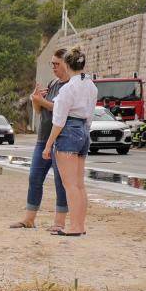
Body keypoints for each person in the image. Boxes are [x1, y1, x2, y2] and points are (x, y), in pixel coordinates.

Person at [13, 48, 69, 230]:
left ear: (66, 64)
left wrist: (41, 101)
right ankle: (29, 219)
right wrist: (35, 100)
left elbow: (61, 109)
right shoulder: (52, 83)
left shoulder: (70, 86)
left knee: (61, 182)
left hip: (61, 140)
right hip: (42, 139)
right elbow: (40, 112)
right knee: (34, 178)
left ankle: (59, 223)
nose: (53, 67)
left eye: (56, 64)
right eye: (51, 63)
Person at [42, 46, 95, 235]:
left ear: (66, 64)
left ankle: (74, 226)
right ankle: (80, 225)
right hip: (83, 130)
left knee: (69, 184)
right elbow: (89, 116)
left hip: (68, 131)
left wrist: (48, 145)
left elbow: (58, 121)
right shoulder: (91, 86)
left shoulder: (67, 89)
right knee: (80, 184)